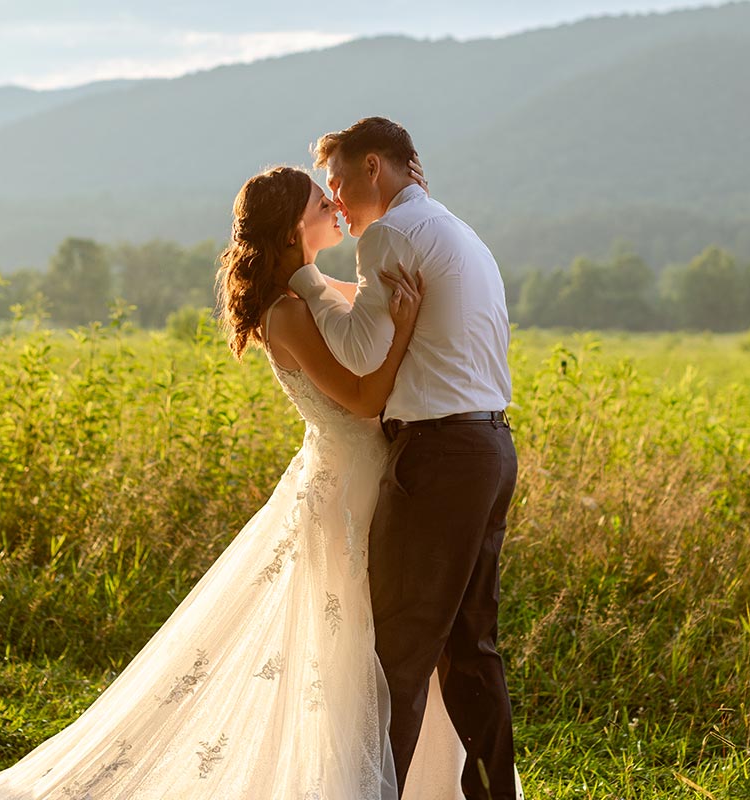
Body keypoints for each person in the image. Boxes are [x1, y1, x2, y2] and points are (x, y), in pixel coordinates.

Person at [0, 162, 479, 798]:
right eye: (316, 200)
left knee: (394, 641)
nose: (332, 202)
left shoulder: (311, 290)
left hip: (369, 475)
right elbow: (360, 400)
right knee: (354, 649)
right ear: (290, 227)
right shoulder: (285, 312)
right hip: (350, 485)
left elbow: (367, 310)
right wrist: (407, 327)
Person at [284, 117, 518, 800]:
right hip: (489, 445)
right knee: (471, 649)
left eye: (338, 183)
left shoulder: (391, 234)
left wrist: (307, 287)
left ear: (374, 168)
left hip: (440, 456)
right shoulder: (449, 227)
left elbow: (361, 355)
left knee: (399, 656)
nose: (337, 204)